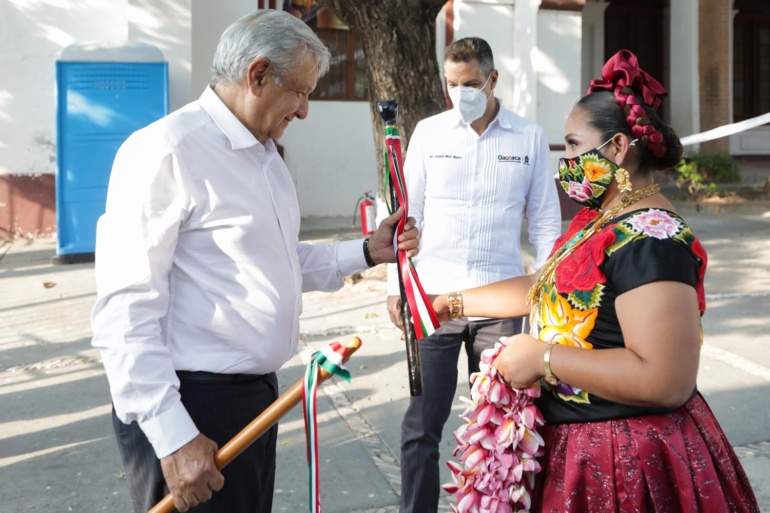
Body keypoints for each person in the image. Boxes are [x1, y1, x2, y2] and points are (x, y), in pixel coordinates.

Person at [90, 10, 419, 513]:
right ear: (258, 74)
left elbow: (277, 262)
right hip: (191, 407)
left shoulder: (265, 157)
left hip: (254, 402)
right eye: (300, 92)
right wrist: (173, 436)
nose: (304, 111)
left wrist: (367, 252)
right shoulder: (166, 152)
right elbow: (124, 312)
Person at [432, 49, 760, 512]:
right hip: (581, 447)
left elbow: (666, 379)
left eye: (572, 145)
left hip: (628, 460)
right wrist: (450, 303)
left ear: (618, 147)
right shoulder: (599, 219)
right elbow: (543, 286)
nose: (565, 159)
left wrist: (542, 357)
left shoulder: (652, 240)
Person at [386, 37, 562, 513]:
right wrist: (395, 286)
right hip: (433, 302)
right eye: (451, 84)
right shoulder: (429, 133)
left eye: (469, 84)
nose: (459, 93)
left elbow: (546, 222)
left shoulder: (528, 137)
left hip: (500, 306)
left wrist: (543, 294)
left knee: (501, 425)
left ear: (492, 79)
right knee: (421, 425)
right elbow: (405, 217)